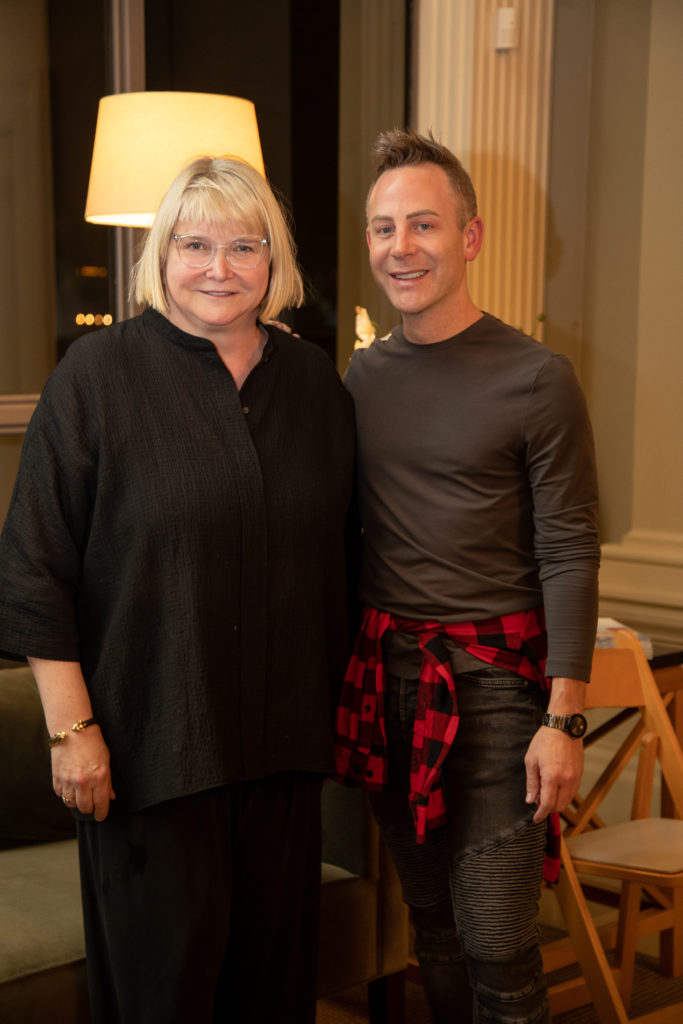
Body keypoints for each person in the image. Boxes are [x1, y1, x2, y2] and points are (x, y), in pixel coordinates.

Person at [0, 156, 355, 1024]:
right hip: (148, 756)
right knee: (164, 1001)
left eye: (245, 245)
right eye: (195, 244)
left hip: (281, 758)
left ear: (275, 262)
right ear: (161, 255)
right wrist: (73, 731)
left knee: (272, 997)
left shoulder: (313, 383)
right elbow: (34, 567)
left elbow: (344, 553)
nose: (219, 268)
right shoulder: (97, 376)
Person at [334, 129, 600, 1023]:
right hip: (387, 681)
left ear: (470, 237)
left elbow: (568, 548)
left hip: (495, 689)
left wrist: (563, 717)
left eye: (423, 225)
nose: (400, 248)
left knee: (495, 933)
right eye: (381, 229)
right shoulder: (358, 379)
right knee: (433, 926)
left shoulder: (536, 378)